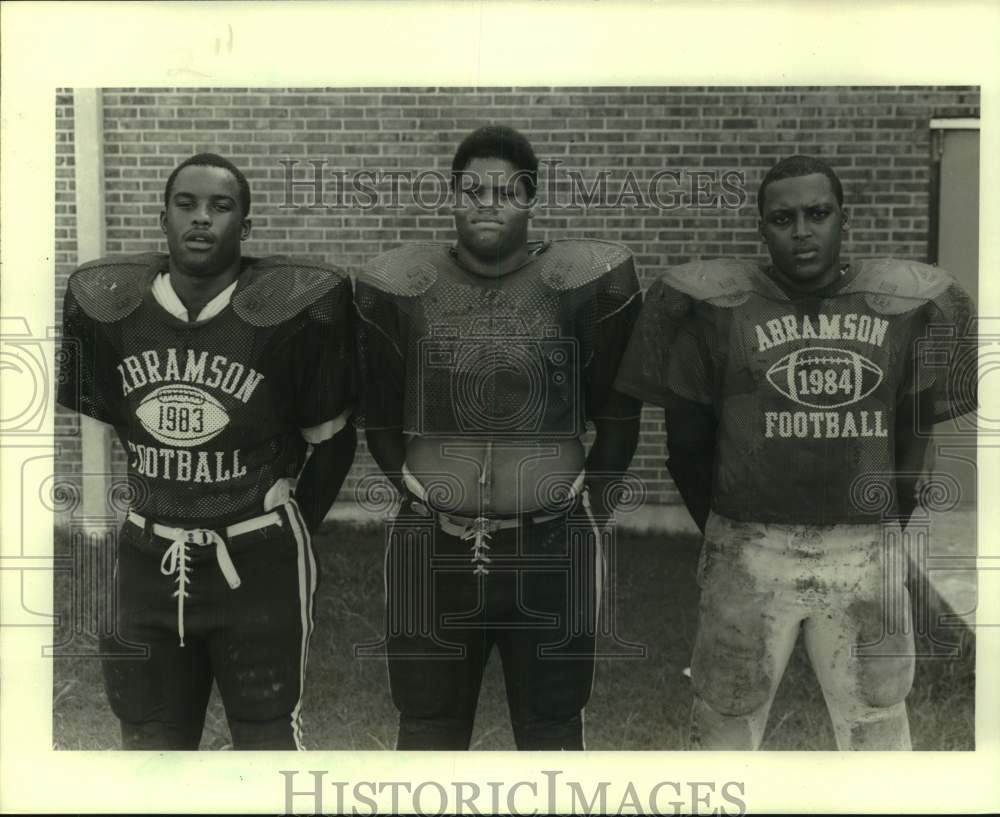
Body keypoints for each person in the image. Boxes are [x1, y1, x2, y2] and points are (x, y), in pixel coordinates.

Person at [614, 154, 976, 750]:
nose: (802, 231)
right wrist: (729, 530)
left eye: (818, 213)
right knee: (724, 728)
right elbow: (686, 446)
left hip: (865, 549)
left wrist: (885, 527)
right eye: (783, 218)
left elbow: (915, 440)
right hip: (750, 547)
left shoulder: (900, 306)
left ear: (843, 219)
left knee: (878, 727)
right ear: (761, 228)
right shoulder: (717, 307)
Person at [355, 125, 642, 750]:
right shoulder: (405, 285)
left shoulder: (581, 282)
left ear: (532, 199)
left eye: (506, 191)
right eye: (472, 189)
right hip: (432, 542)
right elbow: (377, 417)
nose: (488, 203)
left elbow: (618, 419)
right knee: (427, 731)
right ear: (452, 197)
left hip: (549, 539)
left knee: (552, 734)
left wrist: (586, 501)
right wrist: (420, 490)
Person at [56, 152, 357, 750]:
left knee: (266, 743)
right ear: (162, 218)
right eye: (186, 204)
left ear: (245, 228)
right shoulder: (109, 302)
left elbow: (334, 444)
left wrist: (285, 527)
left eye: (221, 207)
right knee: (149, 745)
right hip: (147, 554)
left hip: (255, 559)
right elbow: (122, 417)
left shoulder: (294, 306)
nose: (201, 219)